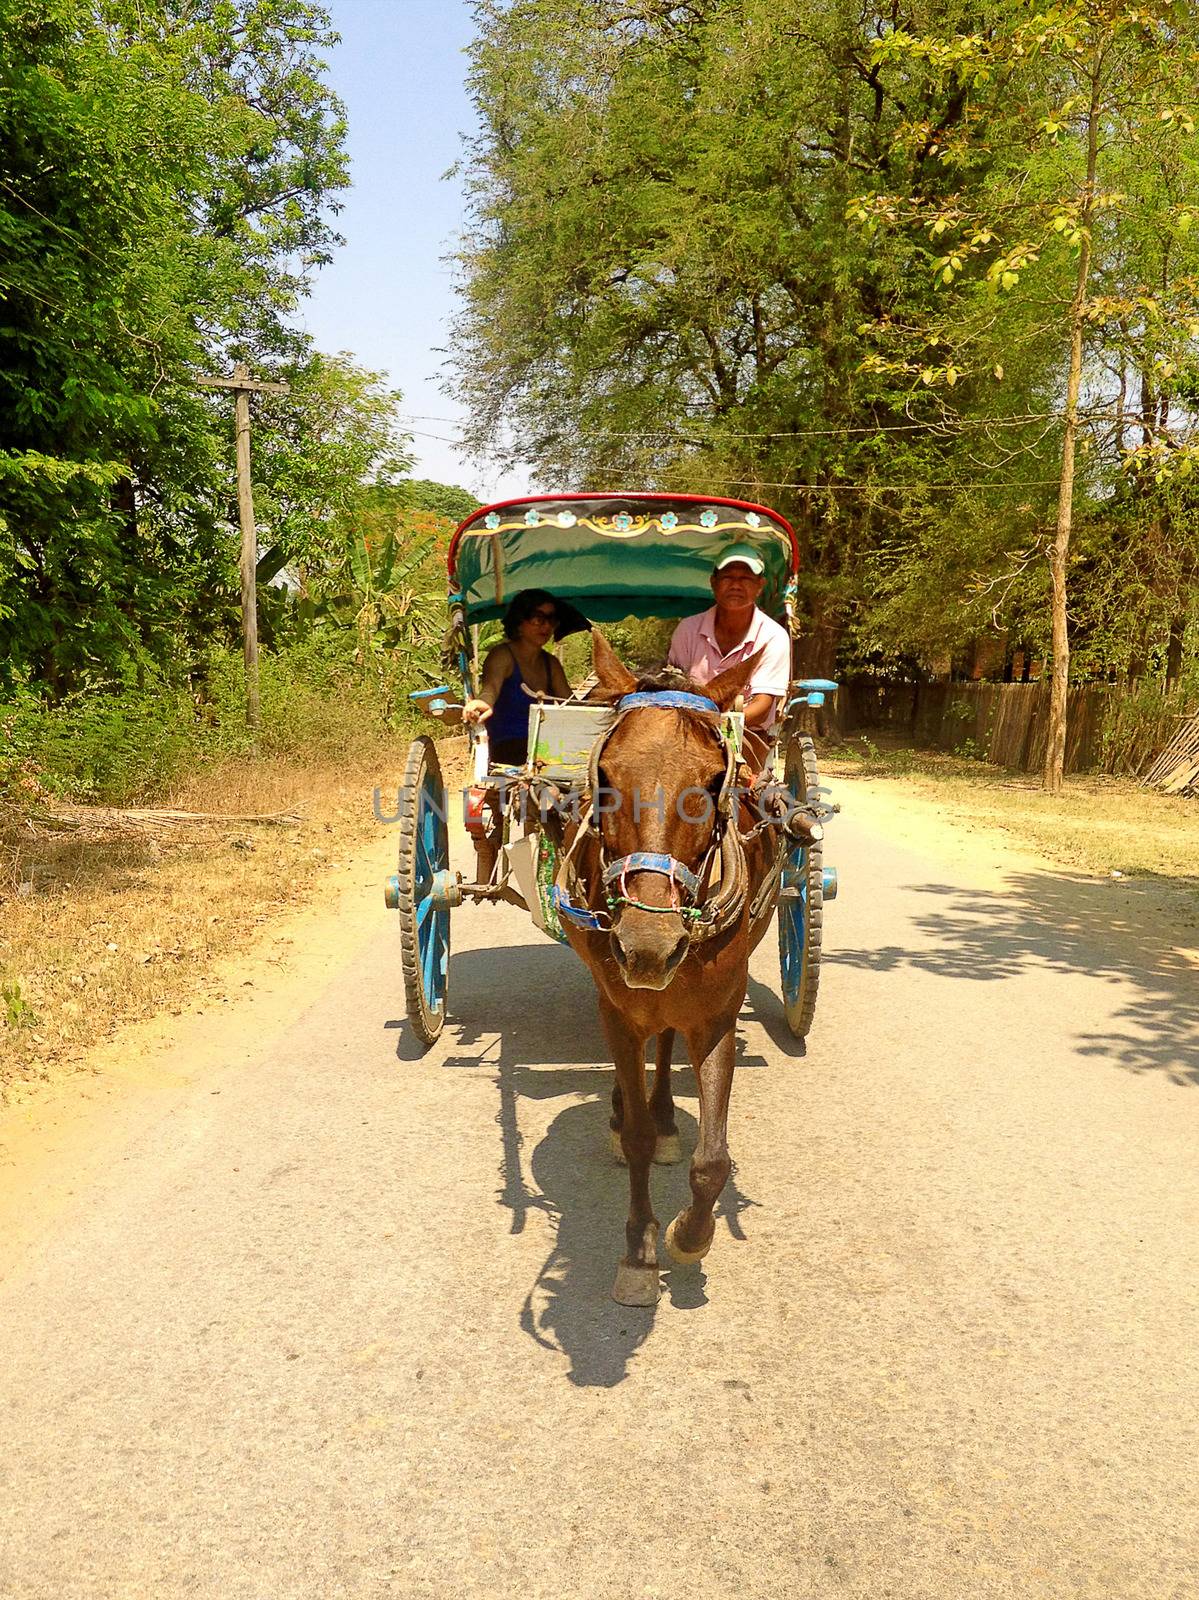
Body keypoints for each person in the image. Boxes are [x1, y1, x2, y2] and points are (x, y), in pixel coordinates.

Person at [667, 545, 791, 763]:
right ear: (713, 582)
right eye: (727, 577)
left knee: (734, 778)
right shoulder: (687, 630)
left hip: (746, 734)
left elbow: (762, 707)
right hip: (686, 731)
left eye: (745, 578)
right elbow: (672, 688)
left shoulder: (774, 636)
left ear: (760, 586)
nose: (735, 584)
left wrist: (716, 725)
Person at [462, 588, 582, 764]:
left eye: (551, 619)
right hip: (507, 749)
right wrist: (483, 703)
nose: (547, 626)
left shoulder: (551, 664)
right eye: (538, 619)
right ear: (519, 622)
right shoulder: (502, 656)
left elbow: (572, 706)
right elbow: (490, 689)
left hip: (544, 750)